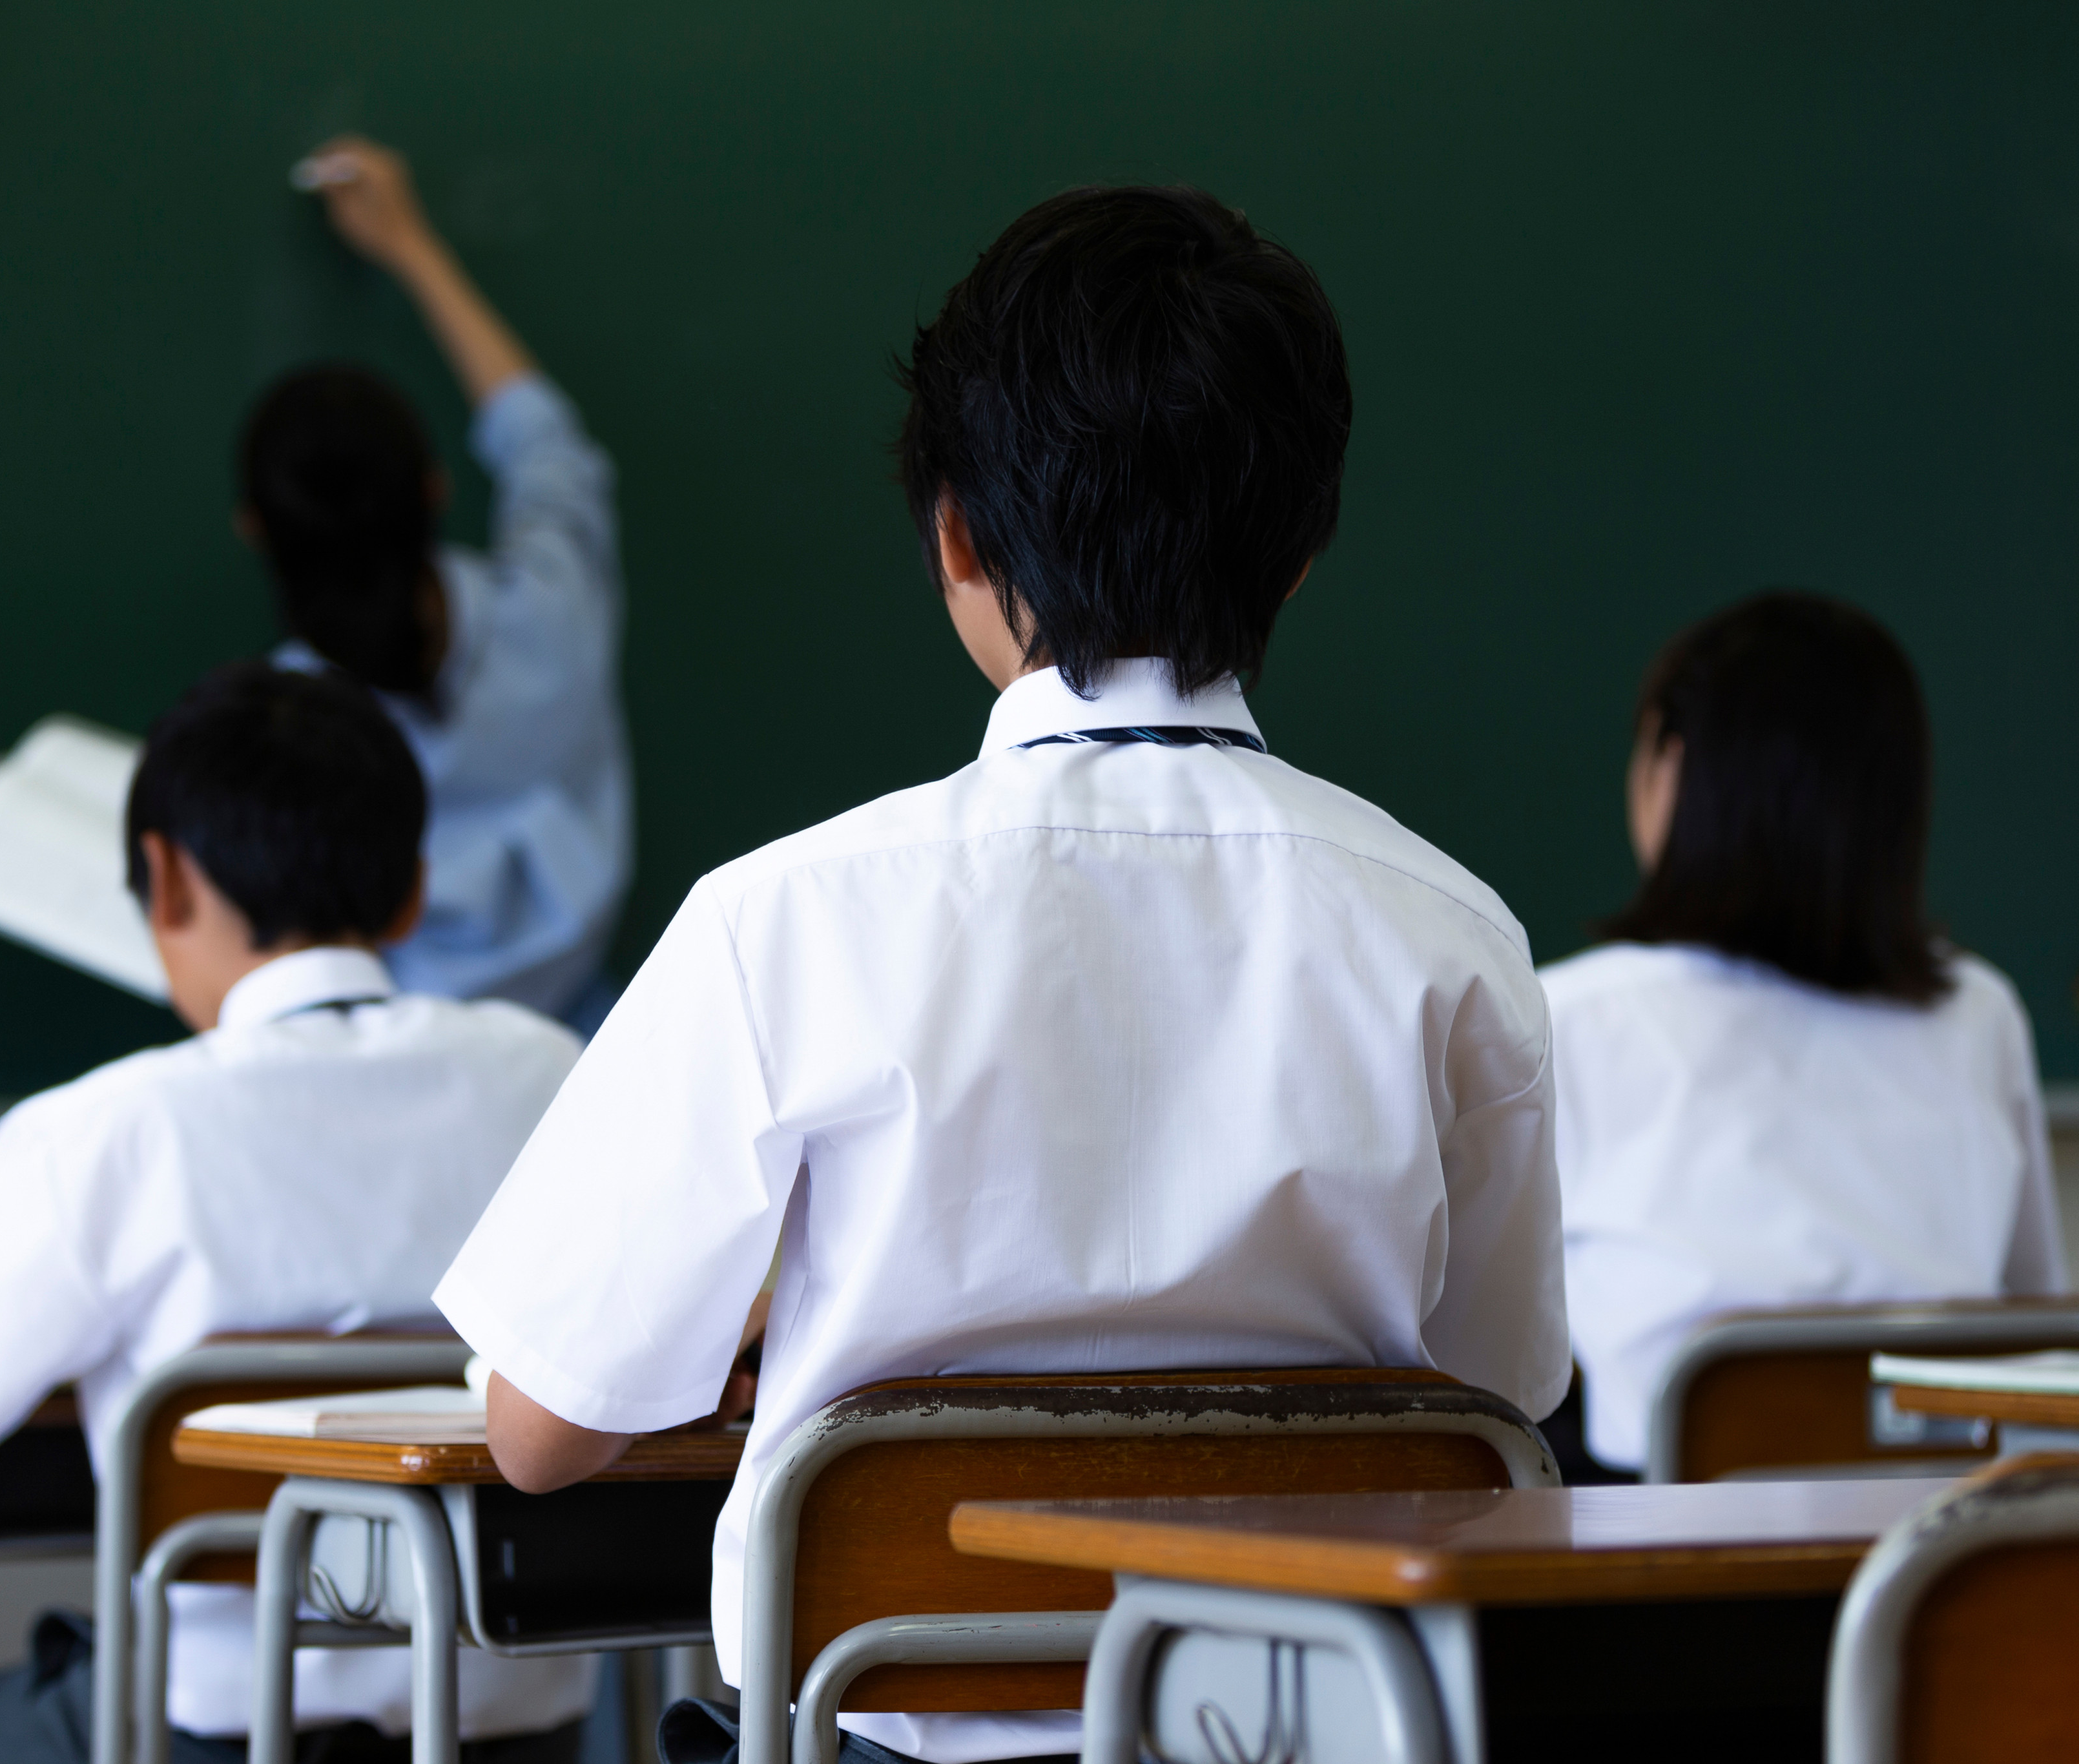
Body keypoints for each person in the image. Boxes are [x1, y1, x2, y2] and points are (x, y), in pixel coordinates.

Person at [430, 186, 1570, 1764]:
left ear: (954, 535)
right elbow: (1494, 1405)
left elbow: (539, 1434)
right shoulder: (1453, 933)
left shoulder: (786, 919)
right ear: (1301, 554)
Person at [0, 662, 595, 1764]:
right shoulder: (556, 1077)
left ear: (162, 879)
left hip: (206, 1732)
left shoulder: (115, 1127)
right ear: (410, 890)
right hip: (520, 1735)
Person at [1540, 592, 2065, 1476]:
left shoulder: (1568, 1018)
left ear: (1673, 767)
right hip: (1936, 1562)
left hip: (1653, 1570)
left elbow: (1479, 1341)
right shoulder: (1978, 1013)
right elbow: (2030, 1326)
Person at [240, 136, 629, 1030]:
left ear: (254, 532)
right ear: (435, 490)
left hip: (373, 1082)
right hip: (590, 1057)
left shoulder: (282, 735)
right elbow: (550, 452)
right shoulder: (553, 607)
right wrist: (412, 246)